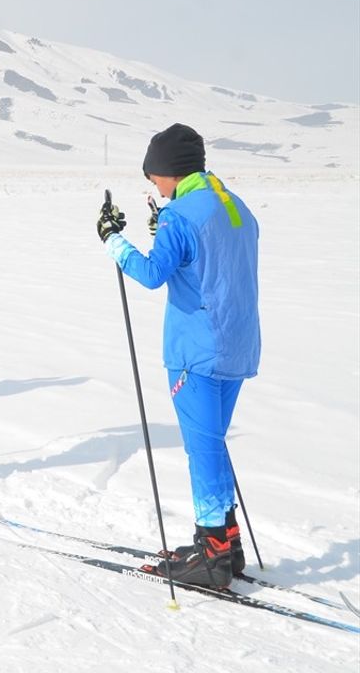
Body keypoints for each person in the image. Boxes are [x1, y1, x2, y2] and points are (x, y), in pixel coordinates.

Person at [97, 123, 260, 589]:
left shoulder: (179, 215)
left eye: (153, 176)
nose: (154, 185)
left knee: (202, 447)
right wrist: (166, 231)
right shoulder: (236, 206)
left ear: (170, 170)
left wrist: (112, 239)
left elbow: (152, 274)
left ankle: (212, 552)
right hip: (238, 344)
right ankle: (226, 540)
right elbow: (210, 260)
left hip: (197, 350)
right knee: (215, 441)